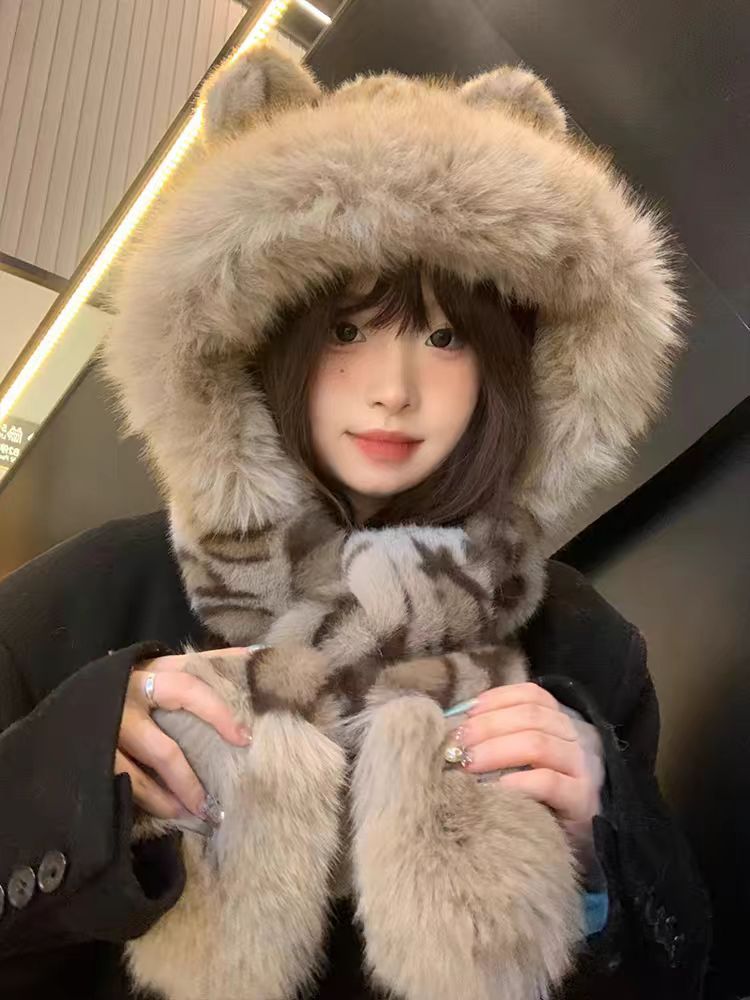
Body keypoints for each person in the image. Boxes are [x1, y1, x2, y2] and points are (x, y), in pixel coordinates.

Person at [0, 44, 711, 1000]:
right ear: (259, 338)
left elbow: (680, 970)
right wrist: (69, 771)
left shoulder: (584, 645)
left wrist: (604, 842)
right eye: (345, 330)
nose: (393, 390)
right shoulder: (87, 597)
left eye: (445, 337)